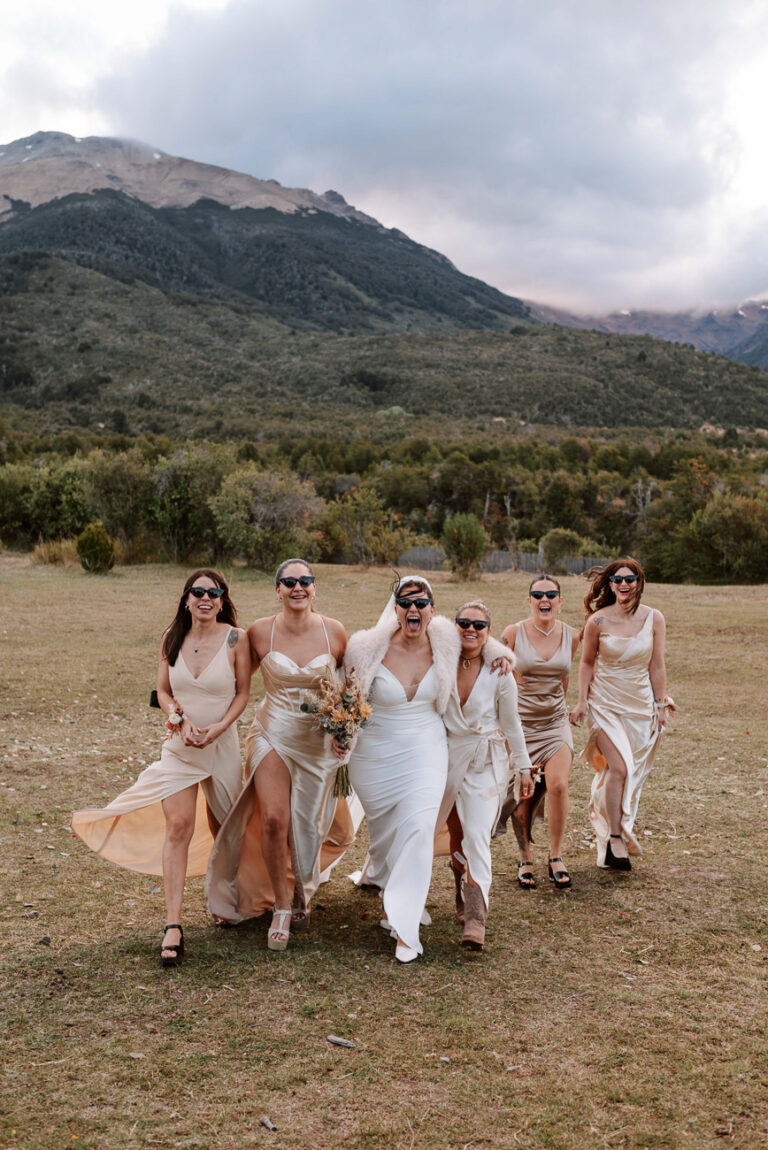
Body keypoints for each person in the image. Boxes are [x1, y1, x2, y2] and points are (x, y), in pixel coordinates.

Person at [71, 569, 250, 967]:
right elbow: (164, 692)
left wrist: (219, 728)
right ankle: (173, 925)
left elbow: (243, 693)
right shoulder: (171, 638)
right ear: (187, 598)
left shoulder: (238, 639)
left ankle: (226, 898)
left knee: (227, 824)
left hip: (222, 747)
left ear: (223, 600)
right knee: (179, 827)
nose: (206, 598)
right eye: (198, 592)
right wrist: (179, 720)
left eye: (214, 592)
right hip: (180, 749)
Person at [206, 559, 353, 951]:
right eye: (289, 582)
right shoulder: (259, 632)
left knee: (309, 827)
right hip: (272, 732)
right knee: (273, 819)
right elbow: (233, 683)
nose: (297, 588)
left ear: (315, 587)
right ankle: (282, 907)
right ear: (277, 590)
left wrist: (345, 731)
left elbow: (351, 688)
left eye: (305, 581)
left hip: (318, 744)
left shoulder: (334, 632)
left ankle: (302, 887)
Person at [343, 575, 459, 963]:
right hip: (375, 753)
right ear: (394, 609)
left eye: (421, 602)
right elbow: (346, 698)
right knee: (389, 834)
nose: (414, 609)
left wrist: (500, 656)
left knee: (419, 826)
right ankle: (395, 887)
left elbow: (482, 640)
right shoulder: (365, 647)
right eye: (406, 602)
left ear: (432, 609)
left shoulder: (446, 641)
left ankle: (404, 926)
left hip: (427, 746)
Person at [439, 601, 533, 951]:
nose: (471, 629)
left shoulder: (500, 672)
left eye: (479, 625)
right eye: (463, 622)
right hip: (446, 761)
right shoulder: (440, 663)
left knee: (477, 834)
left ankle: (477, 917)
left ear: (489, 632)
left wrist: (523, 767)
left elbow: (512, 724)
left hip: (485, 763)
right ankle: (461, 890)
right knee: (457, 834)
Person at [569, 559, 669, 871]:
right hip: (605, 703)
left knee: (632, 775)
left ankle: (614, 830)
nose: (623, 584)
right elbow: (586, 663)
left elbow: (657, 665)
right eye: (617, 579)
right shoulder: (597, 622)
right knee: (619, 768)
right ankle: (614, 838)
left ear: (639, 582)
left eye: (630, 578)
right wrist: (582, 702)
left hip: (638, 705)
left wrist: (660, 705)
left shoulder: (655, 618)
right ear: (610, 584)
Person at [498, 575, 580, 890]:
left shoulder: (572, 636)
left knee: (558, 785)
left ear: (560, 600)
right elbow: (500, 679)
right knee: (524, 792)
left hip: (555, 723)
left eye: (551, 594)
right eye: (537, 594)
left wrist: (567, 706)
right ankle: (524, 856)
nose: (544, 599)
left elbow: (565, 677)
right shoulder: (512, 634)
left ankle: (556, 856)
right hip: (519, 725)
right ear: (529, 599)